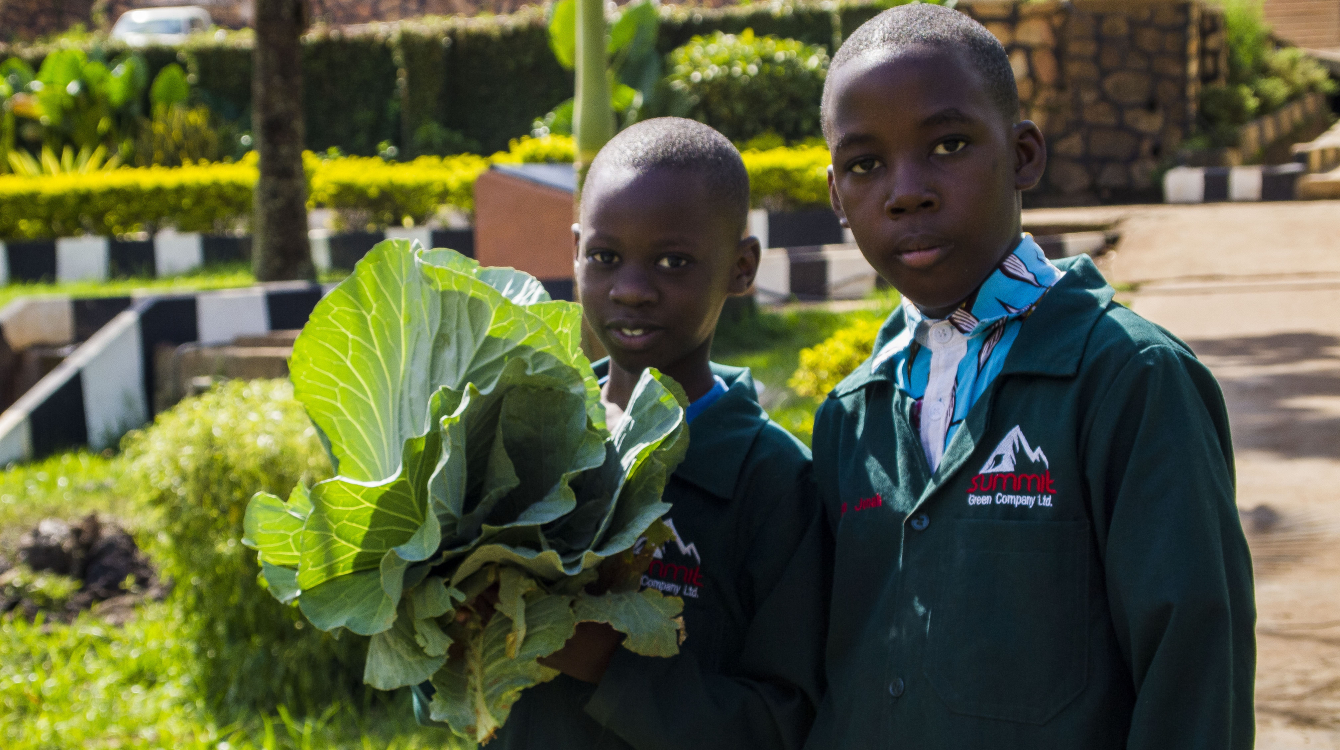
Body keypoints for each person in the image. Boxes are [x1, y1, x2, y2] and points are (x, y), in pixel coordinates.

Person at [805, 5, 1255, 749]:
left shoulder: (1132, 381)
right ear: (837, 202)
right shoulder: (850, 417)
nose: (905, 190)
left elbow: (1195, 673)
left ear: (1023, 157)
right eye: (865, 165)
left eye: (948, 144)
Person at [416, 117, 829, 750]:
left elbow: (781, 723)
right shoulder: (516, 447)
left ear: (741, 268)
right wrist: (445, 622)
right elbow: (446, 692)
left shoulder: (774, 481)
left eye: (673, 261)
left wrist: (604, 661)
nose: (632, 289)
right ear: (575, 252)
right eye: (605, 258)